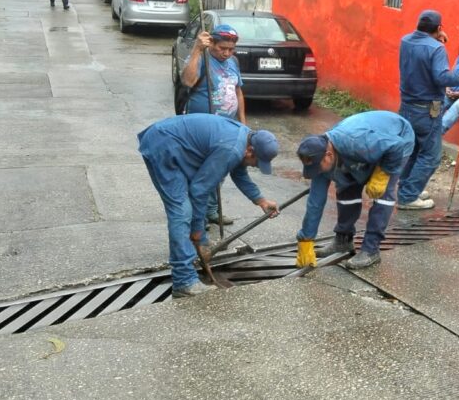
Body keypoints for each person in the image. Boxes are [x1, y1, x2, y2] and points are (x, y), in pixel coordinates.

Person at [137, 114, 280, 297]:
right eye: (256, 163)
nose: (254, 166)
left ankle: (194, 252)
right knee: (181, 212)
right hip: (163, 146)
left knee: (188, 211)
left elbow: (238, 171)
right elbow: (199, 190)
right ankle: (184, 281)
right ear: (250, 151)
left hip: (170, 141)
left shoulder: (245, 138)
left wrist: (260, 200)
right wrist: (198, 231)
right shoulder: (231, 149)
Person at [295, 111, 415, 270]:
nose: (317, 171)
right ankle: (343, 240)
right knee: (346, 187)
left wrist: (383, 173)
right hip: (371, 146)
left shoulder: (356, 143)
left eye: (318, 167)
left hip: (397, 139)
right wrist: (306, 238)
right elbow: (315, 202)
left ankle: (371, 250)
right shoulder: (319, 157)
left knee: (382, 194)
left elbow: (396, 145)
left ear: (329, 155)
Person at [397, 9, 459, 210]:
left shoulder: (406, 41)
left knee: (414, 150)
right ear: (439, 28)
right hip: (426, 109)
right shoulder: (436, 49)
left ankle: (407, 188)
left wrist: (436, 39)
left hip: (407, 107)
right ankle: (408, 196)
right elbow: (442, 78)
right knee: (430, 155)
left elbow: (422, 58)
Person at [180, 23, 245, 225]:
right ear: (211, 43)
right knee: (199, 172)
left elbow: (238, 91)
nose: (226, 53)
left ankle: (211, 210)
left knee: (219, 170)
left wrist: (242, 123)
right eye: (222, 48)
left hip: (227, 127)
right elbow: (188, 81)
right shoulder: (202, 58)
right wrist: (197, 49)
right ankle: (196, 217)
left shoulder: (233, 62)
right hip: (202, 129)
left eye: (231, 49)